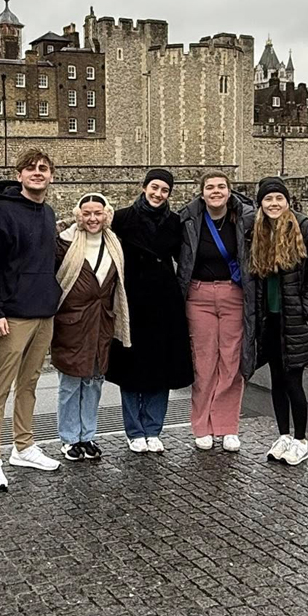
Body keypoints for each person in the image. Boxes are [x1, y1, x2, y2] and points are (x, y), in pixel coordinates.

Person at [0, 149, 63, 489]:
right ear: (19, 176)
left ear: (51, 176)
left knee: (29, 384)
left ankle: (23, 445)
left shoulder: (47, 213)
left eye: (43, 168)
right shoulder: (2, 212)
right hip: (12, 315)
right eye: (31, 169)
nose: (37, 173)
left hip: (43, 311)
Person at [108, 169, 193, 453]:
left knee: (160, 367)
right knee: (131, 368)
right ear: (143, 187)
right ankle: (134, 430)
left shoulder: (175, 222)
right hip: (131, 300)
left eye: (164, 190)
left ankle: (153, 428)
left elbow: (185, 259)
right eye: (154, 188)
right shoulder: (121, 219)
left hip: (164, 302)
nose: (158, 194)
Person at [249, 178, 308, 466]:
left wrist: (305, 308)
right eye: (268, 198)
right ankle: (283, 435)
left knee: (293, 381)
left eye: (278, 198)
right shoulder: (258, 230)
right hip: (270, 319)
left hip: (295, 321)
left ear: (287, 201)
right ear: (260, 203)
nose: (273, 203)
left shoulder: (303, 226)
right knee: (276, 380)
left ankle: (300, 439)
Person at [177, 170, 256, 452]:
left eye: (221, 187)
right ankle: (202, 425)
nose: (216, 191)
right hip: (198, 295)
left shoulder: (246, 218)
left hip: (233, 294)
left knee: (231, 361)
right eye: (210, 187)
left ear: (229, 191)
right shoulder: (188, 218)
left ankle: (227, 426)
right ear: (202, 193)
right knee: (204, 362)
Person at [52, 193, 131, 461]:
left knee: (94, 381)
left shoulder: (114, 244)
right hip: (72, 321)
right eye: (87, 213)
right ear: (79, 216)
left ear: (106, 215)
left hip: (101, 321)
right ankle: (69, 438)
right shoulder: (64, 244)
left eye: (98, 213)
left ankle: (88, 435)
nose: (93, 218)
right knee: (71, 382)